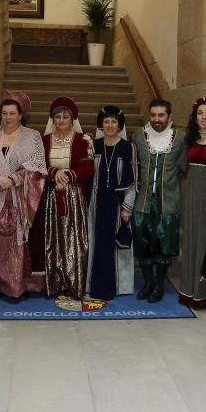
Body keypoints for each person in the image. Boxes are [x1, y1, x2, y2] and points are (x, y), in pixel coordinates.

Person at [0, 91, 47, 298]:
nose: (8, 117)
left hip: (20, 197)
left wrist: (14, 178)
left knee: (18, 241)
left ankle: (18, 286)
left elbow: (38, 167)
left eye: (12, 113)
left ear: (20, 115)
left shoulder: (33, 136)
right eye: (4, 113)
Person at [29, 96, 95, 299]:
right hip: (50, 195)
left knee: (74, 238)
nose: (61, 120)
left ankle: (74, 282)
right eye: (57, 117)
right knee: (53, 239)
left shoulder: (83, 139)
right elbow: (37, 165)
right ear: (53, 119)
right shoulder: (44, 140)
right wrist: (54, 173)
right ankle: (56, 282)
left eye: (65, 116)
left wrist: (68, 175)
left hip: (73, 195)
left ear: (72, 118)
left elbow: (88, 166)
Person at [130, 98, 188, 302]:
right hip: (142, 201)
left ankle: (160, 285)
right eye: (153, 115)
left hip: (168, 201)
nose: (156, 119)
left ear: (169, 117)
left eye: (161, 115)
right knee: (144, 244)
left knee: (164, 244)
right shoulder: (137, 136)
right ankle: (147, 282)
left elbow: (185, 167)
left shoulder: (180, 138)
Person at [86, 106, 137, 300]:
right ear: (101, 124)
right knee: (95, 244)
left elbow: (133, 179)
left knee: (115, 245)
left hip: (117, 203)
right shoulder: (93, 145)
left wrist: (127, 207)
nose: (109, 125)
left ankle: (118, 287)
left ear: (119, 125)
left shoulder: (127, 147)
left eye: (114, 121)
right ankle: (93, 286)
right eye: (106, 121)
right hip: (95, 202)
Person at [178, 97, 206, 308]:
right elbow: (179, 169)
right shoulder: (188, 142)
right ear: (195, 118)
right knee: (190, 242)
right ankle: (188, 290)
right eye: (200, 113)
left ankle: (205, 292)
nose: (204, 117)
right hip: (190, 200)